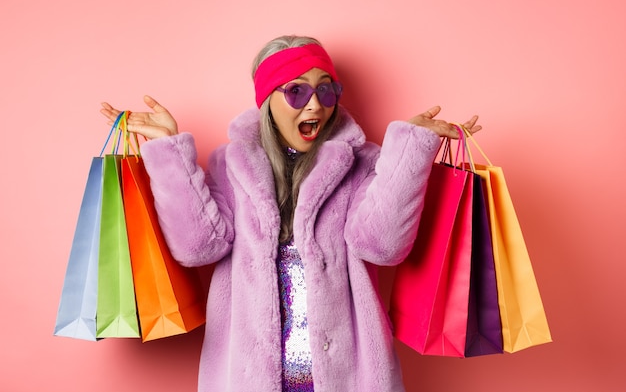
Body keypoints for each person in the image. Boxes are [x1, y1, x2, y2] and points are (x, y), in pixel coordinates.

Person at [101, 35, 481, 392]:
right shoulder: (231, 166)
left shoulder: (363, 163)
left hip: (347, 377)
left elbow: (382, 247)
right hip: (249, 378)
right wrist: (168, 151)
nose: (315, 104)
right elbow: (198, 247)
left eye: (326, 89)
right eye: (296, 91)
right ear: (268, 100)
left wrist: (408, 151)